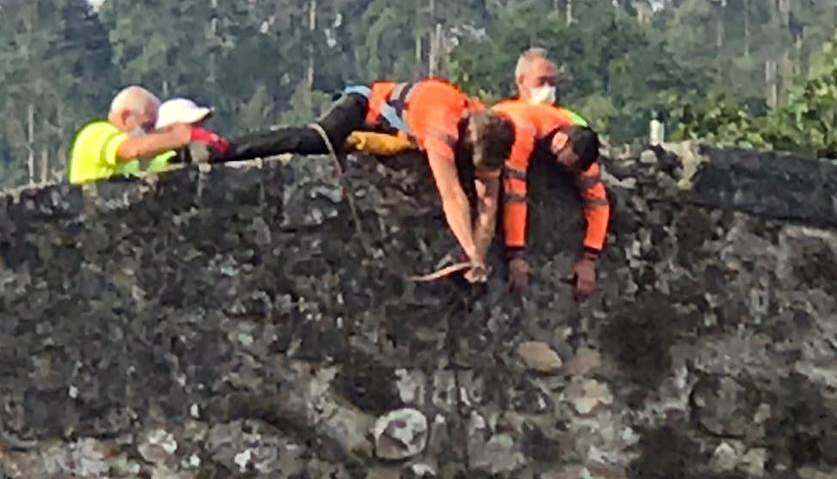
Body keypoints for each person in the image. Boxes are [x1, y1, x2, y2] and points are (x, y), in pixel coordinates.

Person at [213, 80, 515, 281]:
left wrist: (478, 256)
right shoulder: (442, 123)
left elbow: (488, 200)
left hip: (394, 130)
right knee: (319, 139)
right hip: (363, 105)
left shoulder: (490, 130)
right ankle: (224, 150)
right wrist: (471, 251)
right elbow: (451, 194)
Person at [491, 98, 610, 299]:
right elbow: (515, 193)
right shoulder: (522, 131)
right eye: (567, 165)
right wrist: (516, 255)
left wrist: (589, 259)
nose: (569, 172)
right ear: (560, 142)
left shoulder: (578, 144)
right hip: (502, 120)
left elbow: (598, 202)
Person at [68, 86, 193, 184]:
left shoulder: (140, 161)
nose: (151, 134)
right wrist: (178, 137)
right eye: (147, 126)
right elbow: (132, 150)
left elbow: (162, 163)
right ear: (125, 117)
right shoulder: (96, 133)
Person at [154, 98, 230, 163]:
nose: (200, 129)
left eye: (201, 123)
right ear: (169, 128)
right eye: (192, 124)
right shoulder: (159, 159)